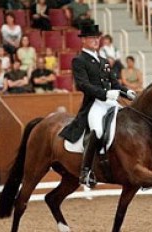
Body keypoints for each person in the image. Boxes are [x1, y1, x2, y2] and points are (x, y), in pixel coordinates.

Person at [59, 24, 136, 188]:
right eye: (92, 38)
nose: (95, 41)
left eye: (97, 38)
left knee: (127, 125)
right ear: (84, 41)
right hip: (94, 103)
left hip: (110, 102)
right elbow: (83, 85)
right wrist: (105, 94)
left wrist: (127, 92)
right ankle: (85, 171)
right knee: (98, 130)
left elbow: (114, 83)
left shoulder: (103, 61)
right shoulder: (79, 60)